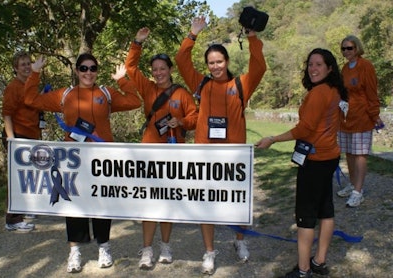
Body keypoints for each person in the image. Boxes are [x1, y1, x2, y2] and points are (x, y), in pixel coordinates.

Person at [24, 53, 142, 273]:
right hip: (73, 160)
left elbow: (135, 101)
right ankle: (74, 252)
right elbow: (30, 100)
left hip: (102, 158)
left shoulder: (106, 94)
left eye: (93, 68)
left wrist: (121, 80)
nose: (88, 73)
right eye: (84, 68)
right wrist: (35, 72)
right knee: (74, 204)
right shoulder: (65, 94)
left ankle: (104, 247)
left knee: (102, 202)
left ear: (97, 71)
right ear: (77, 71)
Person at [175, 16, 266, 274]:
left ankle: (240, 241)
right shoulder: (201, 84)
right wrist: (192, 34)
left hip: (235, 156)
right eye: (211, 63)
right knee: (207, 205)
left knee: (238, 203)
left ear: (226, 62)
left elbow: (259, 67)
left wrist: (252, 37)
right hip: (206, 154)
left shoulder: (240, 85)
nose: (215, 66)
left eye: (219, 61)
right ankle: (209, 252)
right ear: (207, 65)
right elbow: (182, 61)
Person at [255, 48, 348, 278]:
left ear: (329, 68)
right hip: (330, 157)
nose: (313, 69)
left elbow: (304, 128)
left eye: (318, 64)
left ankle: (304, 270)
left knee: (306, 215)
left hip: (316, 160)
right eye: (310, 64)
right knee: (325, 210)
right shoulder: (335, 90)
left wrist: (273, 139)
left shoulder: (319, 93)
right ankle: (319, 261)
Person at [125, 27, 198, 270]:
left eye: (162, 69)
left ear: (170, 70)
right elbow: (131, 69)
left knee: (168, 203)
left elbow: (195, 117)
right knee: (149, 204)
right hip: (149, 152)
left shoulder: (181, 93)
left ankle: (165, 246)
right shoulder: (147, 88)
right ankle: (146, 250)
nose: (158, 73)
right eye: (155, 69)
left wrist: (182, 122)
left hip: (175, 154)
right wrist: (137, 43)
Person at [336, 35, 383, 208]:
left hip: (362, 117)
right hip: (346, 117)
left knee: (360, 154)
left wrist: (374, 114)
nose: (346, 51)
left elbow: (371, 92)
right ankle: (352, 184)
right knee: (348, 152)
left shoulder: (366, 66)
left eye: (349, 48)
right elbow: (342, 91)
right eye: (343, 48)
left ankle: (358, 191)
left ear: (357, 48)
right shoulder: (345, 68)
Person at [2, 51, 39, 232]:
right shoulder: (13, 87)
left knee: (28, 176)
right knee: (16, 178)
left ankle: (25, 209)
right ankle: (13, 219)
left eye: (28, 63)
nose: (26, 67)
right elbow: (7, 114)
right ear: (16, 68)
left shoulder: (32, 85)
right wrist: (11, 139)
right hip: (17, 135)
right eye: (22, 64)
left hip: (32, 135)